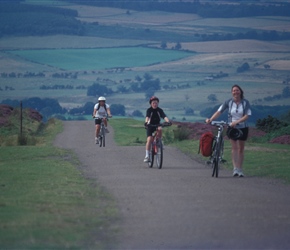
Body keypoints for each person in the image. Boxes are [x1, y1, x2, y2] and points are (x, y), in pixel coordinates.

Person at [205, 85, 252, 177]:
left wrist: (237, 122)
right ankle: (235, 169)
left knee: (241, 149)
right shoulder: (228, 102)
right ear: (232, 92)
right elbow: (219, 111)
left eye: (237, 90)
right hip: (231, 127)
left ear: (240, 92)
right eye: (234, 91)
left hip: (243, 127)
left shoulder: (245, 102)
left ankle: (240, 169)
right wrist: (210, 119)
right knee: (234, 148)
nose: (235, 92)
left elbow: (247, 115)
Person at [144, 96, 171, 162]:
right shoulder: (149, 110)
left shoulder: (159, 110)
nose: (155, 104)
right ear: (151, 104)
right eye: (153, 103)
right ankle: (147, 156)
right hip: (150, 125)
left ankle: (159, 141)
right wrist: (146, 122)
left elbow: (164, 116)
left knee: (160, 129)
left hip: (157, 124)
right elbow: (147, 117)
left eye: (156, 103)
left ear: (158, 103)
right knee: (149, 139)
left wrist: (168, 121)